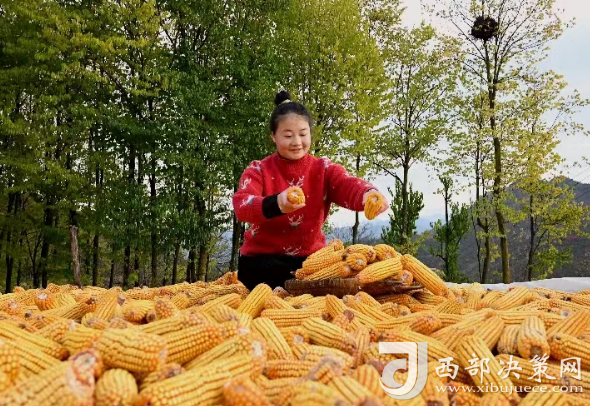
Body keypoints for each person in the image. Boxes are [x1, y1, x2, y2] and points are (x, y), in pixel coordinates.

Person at [232, 90, 389, 290]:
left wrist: (368, 194)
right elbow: (242, 205)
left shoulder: (323, 169)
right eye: (288, 135)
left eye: (303, 134)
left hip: (311, 260)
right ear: (273, 136)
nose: (297, 142)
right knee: (270, 275)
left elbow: (345, 184)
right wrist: (277, 203)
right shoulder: (259, 170)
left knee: (341, 273)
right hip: (263, 260)